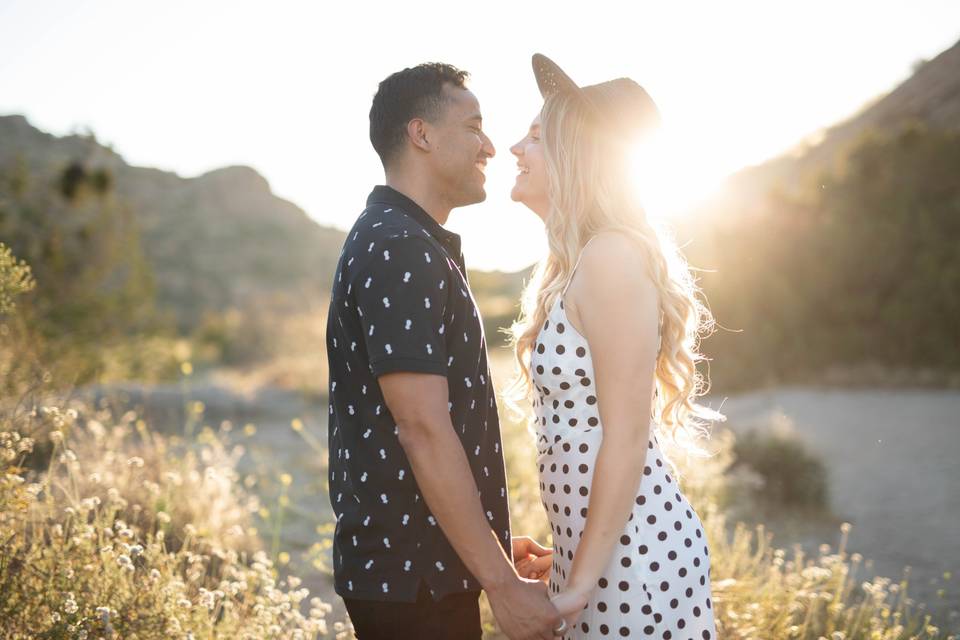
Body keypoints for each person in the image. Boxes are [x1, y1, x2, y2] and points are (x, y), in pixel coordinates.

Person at [325, 62, 562, 639]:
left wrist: (494, 545)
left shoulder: (404, 240)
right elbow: (422, 429)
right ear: (421, 134)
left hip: (421, 571)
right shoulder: (398, 247)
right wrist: (504, 587)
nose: (489, 146)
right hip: (413, 583)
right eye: (474, 126)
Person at [507, 53, 725, 639]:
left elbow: (626, 436)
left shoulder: (610, 257)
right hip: (600, 559)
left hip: (636, 563)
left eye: (533, 137)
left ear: (575, 153)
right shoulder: (573, 265)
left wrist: (582, 583)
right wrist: (573, 559)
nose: (513, 149)